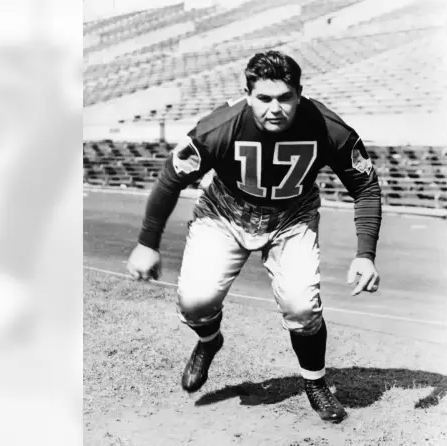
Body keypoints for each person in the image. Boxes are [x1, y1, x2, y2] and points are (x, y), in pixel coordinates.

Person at [126, 50, 382, 423]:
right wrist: (147, 243)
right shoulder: (220, 127)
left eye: (285, 98)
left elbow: (366, 186)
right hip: (224, 212)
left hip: (292, 217)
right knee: (196, 302)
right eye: (264, 98)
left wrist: (366, 253)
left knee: (301, 305)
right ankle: (209, 342)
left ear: (300, 93)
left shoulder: (328, 127)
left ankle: (315, 382)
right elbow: (171, 177)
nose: (274, 108)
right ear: (247, 95)